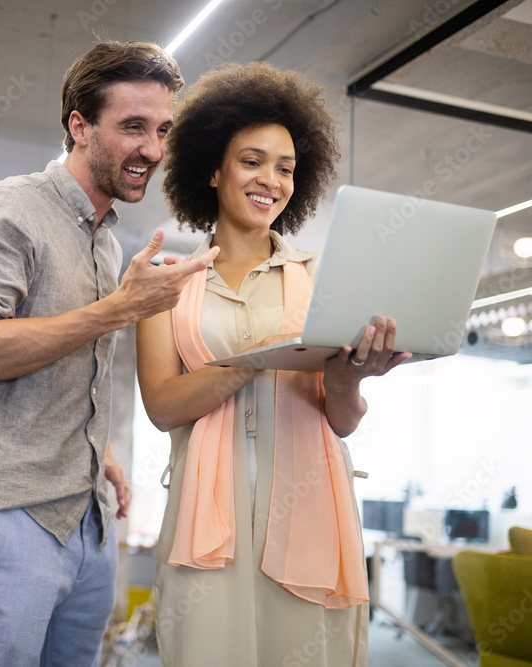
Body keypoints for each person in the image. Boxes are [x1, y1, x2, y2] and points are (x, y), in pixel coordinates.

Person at [0, 40, 220, 666]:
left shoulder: (108, 246)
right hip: (7, 514)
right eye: (133, 127)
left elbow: (64, 362)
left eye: (162, 129)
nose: (153, 150)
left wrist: (99, 449)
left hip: (87, 519)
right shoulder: (11, 208)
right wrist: (121, 308)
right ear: (78, 127)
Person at [136, 62, 412, 666]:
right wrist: (261, 359)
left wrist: (349, 378)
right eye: (252, 161)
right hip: (205, 523)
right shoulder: (166, 285)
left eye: (286, 168)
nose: (272, 180)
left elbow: (340, 418)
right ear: (212, 168)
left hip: (313, 511)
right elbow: (161, 404)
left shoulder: (322, 280)